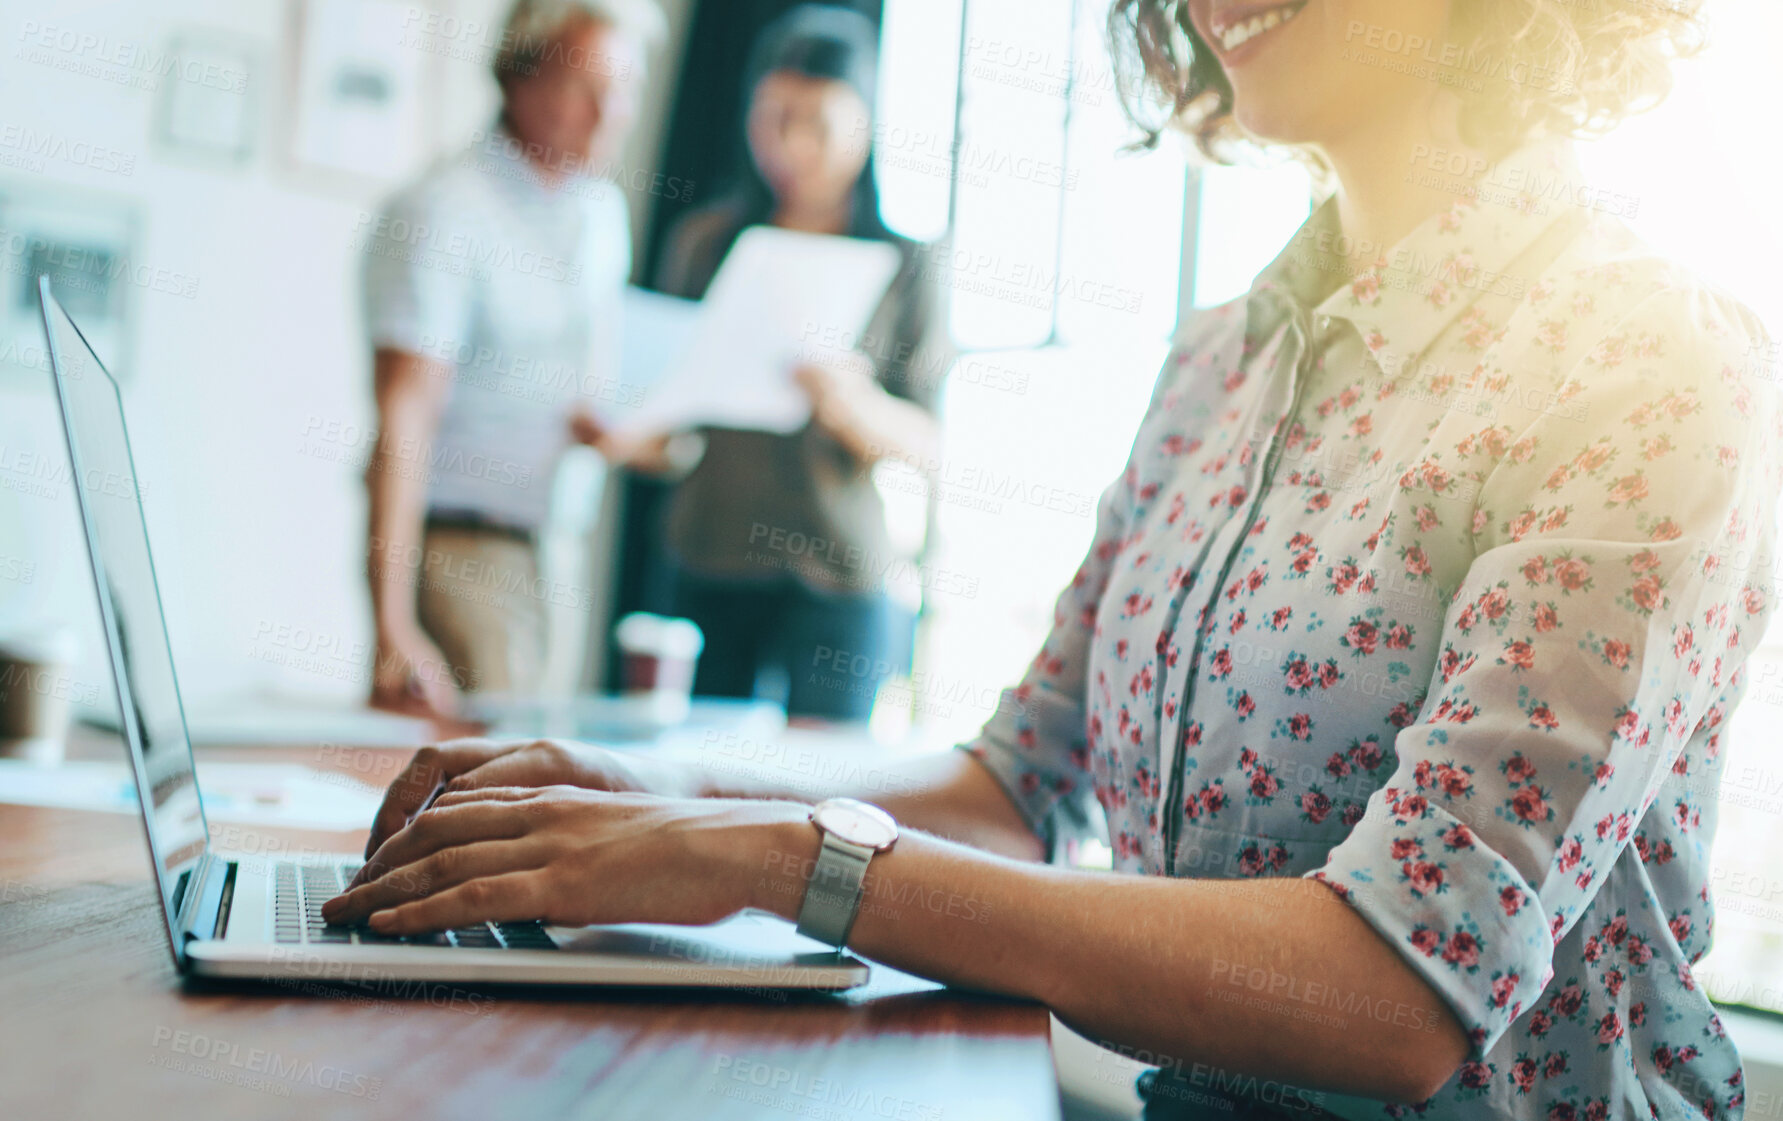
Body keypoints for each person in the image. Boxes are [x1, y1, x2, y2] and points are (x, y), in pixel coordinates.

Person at [326, 1, 1779, 1117]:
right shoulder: (1218, 357)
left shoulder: (1643, 360)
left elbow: (1398, 992)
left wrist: (779, 856)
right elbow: (1013, 786)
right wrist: (651, 793)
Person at [604, 4, 952, 722]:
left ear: (863, 124)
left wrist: (850, 402)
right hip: (708, 557)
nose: (791, 146)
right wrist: (629, 434)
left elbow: (928, 440)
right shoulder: (703, 243)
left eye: (817, 124)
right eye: (772, 119)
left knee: (818, 797)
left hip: (837, 574)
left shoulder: (906, 261)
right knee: (694, 791)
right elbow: (666, 421)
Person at [360, 0, 664, 717]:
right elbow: (404, 418)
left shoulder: (600, 214)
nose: (610, 113)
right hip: (461, 548)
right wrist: (392, 622)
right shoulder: (444, 211)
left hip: (557, 548)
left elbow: (594, 385)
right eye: (586, 89)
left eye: (623, 89)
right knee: (475, 793)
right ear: (519, 78)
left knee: (539, 779)